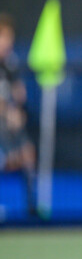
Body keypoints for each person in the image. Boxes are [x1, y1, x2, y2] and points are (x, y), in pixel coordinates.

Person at [0, 14, 36, 210]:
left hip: (10, 124)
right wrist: (7, 112)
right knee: (9, 159)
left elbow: (20, 94)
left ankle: (31, 204)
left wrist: (19, 111)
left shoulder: (10, 64)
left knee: (28, 152)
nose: (8, 42)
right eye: (5, 37)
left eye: (10, 38)